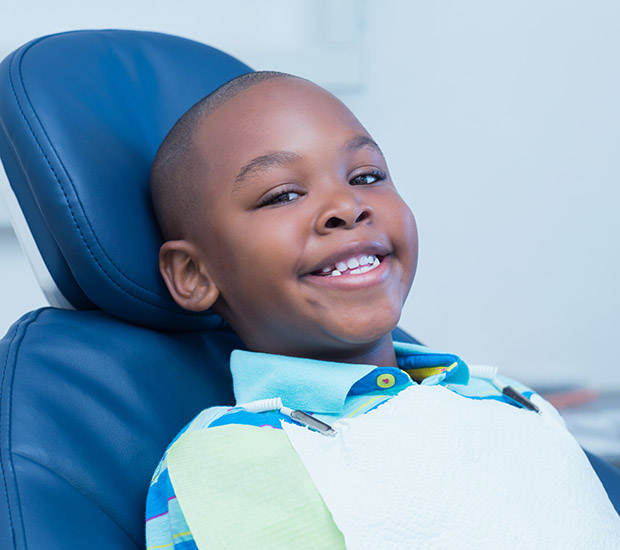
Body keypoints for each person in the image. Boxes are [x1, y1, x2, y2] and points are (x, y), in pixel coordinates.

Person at [145, 71, 620, 550]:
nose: (347, 205)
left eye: (366, 177)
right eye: (283, 195)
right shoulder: (233, 457)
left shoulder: (504, 396)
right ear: (194, 273)